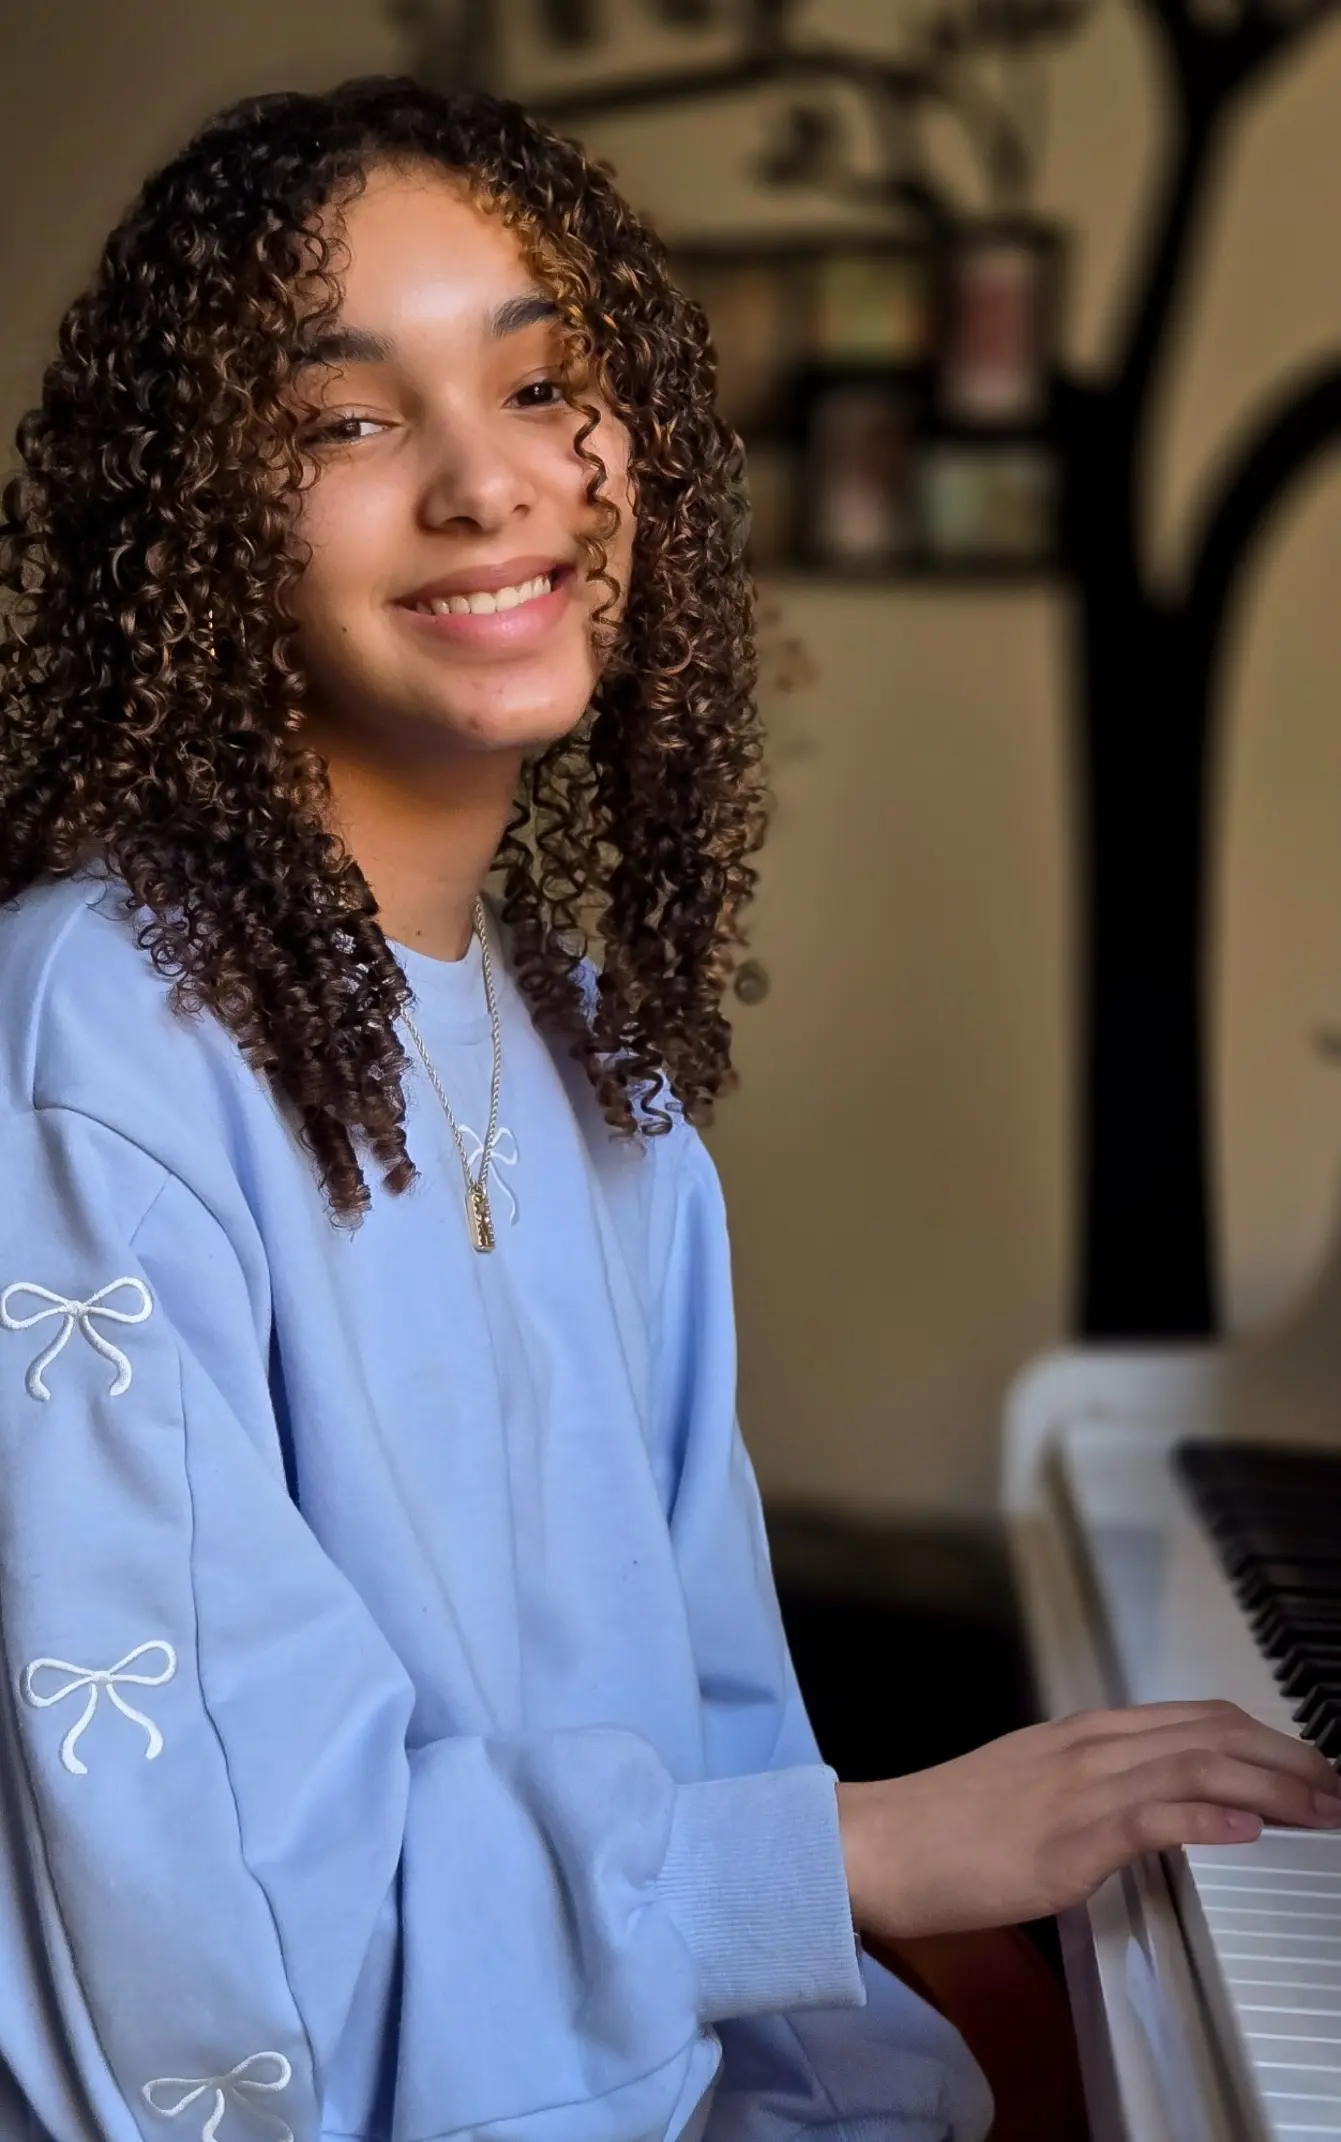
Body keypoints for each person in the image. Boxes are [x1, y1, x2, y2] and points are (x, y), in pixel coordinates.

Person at [0, 76, 1335, 2142]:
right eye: (345, 421)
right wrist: (865, 1860)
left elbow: (708, 1713)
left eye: (544, 384)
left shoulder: (587, 1040)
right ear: (197, 520)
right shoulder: (100, 1034)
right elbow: (205, 1942)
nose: (485, 485)